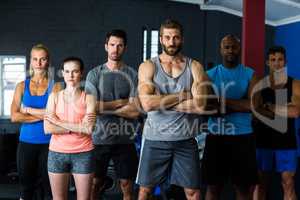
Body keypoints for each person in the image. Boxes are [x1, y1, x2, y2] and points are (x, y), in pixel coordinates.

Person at [137, 19, 209, 200]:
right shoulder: (148, 66)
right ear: (161, 39)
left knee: (193, 192)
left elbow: (200, 105)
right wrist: (182, 96)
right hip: (155, 139)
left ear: (182, 39)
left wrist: (161, 101)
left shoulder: (194, 66)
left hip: (185, 140)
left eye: (176, 37)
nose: (172, 42)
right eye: (167, 37)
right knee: (145, 190)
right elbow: (146, 104)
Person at [85, 29, 140, 200]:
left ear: (125, 48)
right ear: (106, 46)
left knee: (127, 186)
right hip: (99, 139)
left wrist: (104, 106)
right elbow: (91, 107)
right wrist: (122, 102)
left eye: (120, 45)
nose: (115, 49)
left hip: (125, 139)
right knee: (95, 184)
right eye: (112, 45)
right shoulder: (94, 74)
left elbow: (135, 111)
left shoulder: (133, 74)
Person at [201, 35, 258, 200]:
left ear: (239, 49)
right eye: (226, 47)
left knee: (243, 189)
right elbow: (207, 108)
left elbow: (254, 106)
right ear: (221, 50)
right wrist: (241, 104)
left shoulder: (250, 74)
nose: (230, 50)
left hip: (243, 137)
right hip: (216, 137)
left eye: (234, 47)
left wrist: (220, 101)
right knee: (213, 188)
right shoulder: (209, 75)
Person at [10, 44, 60, 200]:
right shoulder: (21, 86)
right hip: (26, 143)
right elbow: (14, 117)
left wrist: (28, 110)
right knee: (26, 188)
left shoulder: (56, 86)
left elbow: (56, 116)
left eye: (42, 59)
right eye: (35, 59)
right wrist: (45, 115)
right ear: (31, 62)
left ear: (48, 61)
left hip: (49, 143)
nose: (39, 63)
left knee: (48, 188)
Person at [44, 57, 96, 200]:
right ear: (62, 73)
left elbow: (89, 129)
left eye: (74, 71)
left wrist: (58, 122)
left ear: (81, 73)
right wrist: (77, 127)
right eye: (67, 71)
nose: (70, 75)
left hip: (83, 153)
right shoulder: (54, 97)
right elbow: (48, 128)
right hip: (57, 153)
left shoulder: (89, 98)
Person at [253, 46, 300, 200]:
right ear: (268, 62)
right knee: (260, 184)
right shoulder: (260, 84)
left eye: (280, 60)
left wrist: (269, 106)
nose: (277, 63)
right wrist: (284, 108)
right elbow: (255, 111)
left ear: (285, 62)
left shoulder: (294, 84)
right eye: (273, 60)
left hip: (286, 141)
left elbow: (296, 112)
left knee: (288, 183)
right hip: (262, 140)